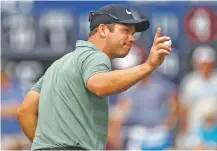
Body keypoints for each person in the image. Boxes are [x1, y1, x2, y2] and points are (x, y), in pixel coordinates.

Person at [17, 4, 172, 150]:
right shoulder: (96, 57)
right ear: (103, 30)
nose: (132, 38)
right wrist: (148, 66)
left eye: (133, 33)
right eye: (125, 31)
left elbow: (25, 111)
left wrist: (48, 146)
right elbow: (98, 85)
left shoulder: (59, 64)